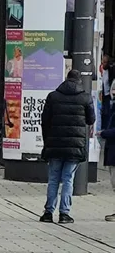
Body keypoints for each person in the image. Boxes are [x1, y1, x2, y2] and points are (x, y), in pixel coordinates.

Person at [40, 69, 95, 224]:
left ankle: (48, 213)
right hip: (75, 146)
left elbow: (45, 120)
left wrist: (47, 141)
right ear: (79, 81)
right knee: (68, 179)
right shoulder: (85, 97)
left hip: (55, 144)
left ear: (66, 79)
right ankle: (64, 214)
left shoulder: (53, 96)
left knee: (53, 179)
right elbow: (91, 120)